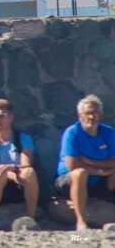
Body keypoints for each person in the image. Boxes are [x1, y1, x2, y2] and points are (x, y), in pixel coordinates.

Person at [0, 98, 39, 231]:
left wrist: (10, 168)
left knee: (30, 173)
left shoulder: (23, 138)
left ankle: (30, 217)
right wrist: (7, 171)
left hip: (18, 184)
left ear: (10, 118)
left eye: (1, 116)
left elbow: (26, 164)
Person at [55, 94, 115, 231]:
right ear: (80, 115)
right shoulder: (72, 132)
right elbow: (72, 165)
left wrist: (90, 161)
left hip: (99, 180)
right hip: (68, 180)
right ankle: (81, 223)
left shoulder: (108, 132)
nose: (92, 117)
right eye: (88, 113)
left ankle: (107, 203)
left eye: (95, 113)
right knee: (80, 173)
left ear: (100, 115)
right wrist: (98, 171)